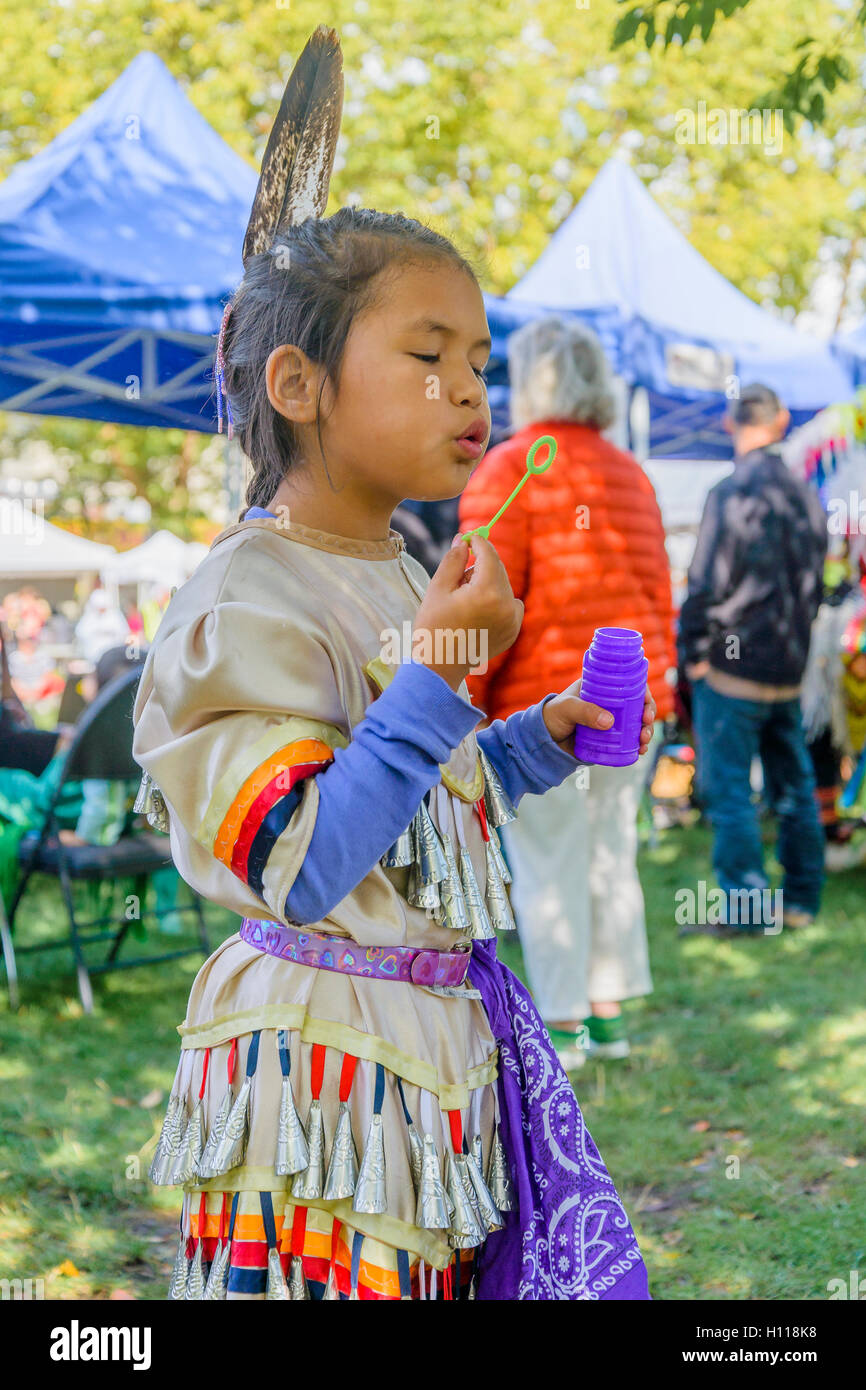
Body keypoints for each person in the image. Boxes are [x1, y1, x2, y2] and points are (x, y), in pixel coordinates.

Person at [131, 27, 654, 1302]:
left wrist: (532, 735)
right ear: (299, 384)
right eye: (428, 358)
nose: (471, 391)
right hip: (315, 1074)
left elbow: (421, 805)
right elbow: (306, 860)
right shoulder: (244, 596)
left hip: (414, 1064)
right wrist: (434, 679)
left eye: (479, 361)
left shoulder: (400, 565)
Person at [458, 316, 675, 1066]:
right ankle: (607, 1013)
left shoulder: (513, 468)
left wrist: (463, 699)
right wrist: (662, 691)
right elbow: (656, 594)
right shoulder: (630, 472)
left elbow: (482, 604)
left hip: (541, 706)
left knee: (549, 861)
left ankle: (562, 1026)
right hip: (631, 703)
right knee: (610, 853)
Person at [679, 383, 828, 934]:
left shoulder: (731, 492)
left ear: (729, 424)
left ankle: (746, 913)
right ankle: (801, 903)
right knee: (793, 788)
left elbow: (703, 585)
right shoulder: (804, 493)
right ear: (782, 421)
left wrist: (692, 657)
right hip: (787, 668)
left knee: (733, 792)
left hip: (733, 668)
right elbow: (817, 583)